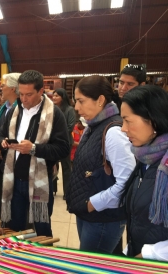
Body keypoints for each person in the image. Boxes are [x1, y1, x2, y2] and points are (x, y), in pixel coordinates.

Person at [0, 70, 70, 236]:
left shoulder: (53, 114)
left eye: (29, 94)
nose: (23, 99)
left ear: (41, 91)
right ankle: (16, 259)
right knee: (13, 228)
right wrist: (3, 142)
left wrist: (34, 149)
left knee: (41, 228)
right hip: (13, 179)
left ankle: (42, 259)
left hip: (39, 181)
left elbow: (63, 148)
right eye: (21, 94)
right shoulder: (15, 111)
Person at [66, 75, 136, 254]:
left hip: (103, 218)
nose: (76, 107)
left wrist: (93, 203)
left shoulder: (113, 132)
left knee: (92, 266)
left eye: (81, 101)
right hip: (89, 214)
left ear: (101, 100)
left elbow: (126, 183)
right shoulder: (93, 125)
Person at [120, 85, 168, 261]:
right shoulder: (146, 158)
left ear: (153, 120)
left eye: (128, 120)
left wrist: (150, 253)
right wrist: (130, 249)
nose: (123, 128)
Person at [0, 72, 21, 218]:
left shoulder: (21, 109)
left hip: (15, 163)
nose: (0, 88)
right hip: (1, 162)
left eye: (3, 86)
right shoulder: (4, 108)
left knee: (15, 207)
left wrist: (3, 150)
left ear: (13, 88)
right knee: (2, 199)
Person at [52, 88, 75, 200]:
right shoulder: (51, 109)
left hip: (65, 142)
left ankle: (68, 192)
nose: (54, 97)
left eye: (57, 95)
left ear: (63, 97)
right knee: (52, 165)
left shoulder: (70, 110)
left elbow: (70, 126)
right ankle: (52, 189)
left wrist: (57, 133)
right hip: (53, 143)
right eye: (54, 95)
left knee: (66, 168)